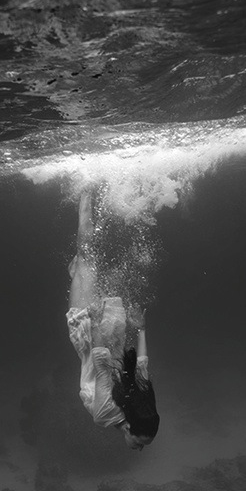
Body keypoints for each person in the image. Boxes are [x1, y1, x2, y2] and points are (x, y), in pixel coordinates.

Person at [66, 190, 160, 450]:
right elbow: (99, 364)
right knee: (85, 256)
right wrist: (94, 322)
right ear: (129, 429)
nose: (138, 449)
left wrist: (140, 329)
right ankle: (85, 188)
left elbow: (141, 364)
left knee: (88, 264)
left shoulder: (138, 400)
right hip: (90, 334)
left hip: (114, 328)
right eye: (139, 443)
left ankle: (78, 271)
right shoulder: (105, 415)